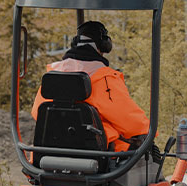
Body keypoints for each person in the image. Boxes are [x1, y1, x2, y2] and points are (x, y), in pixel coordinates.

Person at [31, 20, 149, 150]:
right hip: (95, 153)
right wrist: (148, 130)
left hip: (50, 150)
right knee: (138, 145)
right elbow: (132, 122)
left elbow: (37, 113)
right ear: (104, 45)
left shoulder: (53, 75)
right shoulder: (105, 79)